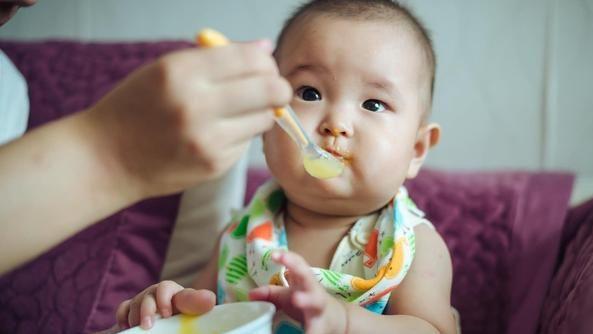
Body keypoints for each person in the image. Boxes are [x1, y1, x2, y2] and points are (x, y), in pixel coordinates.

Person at [116, 0, 458, 333]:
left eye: (373, 103)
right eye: (309, 93)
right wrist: (169, 307)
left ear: (416, 149)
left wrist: (344, 322)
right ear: (267, 127)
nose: (336, 123)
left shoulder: (413, 245)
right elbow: (203, 316)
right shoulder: (241, 234)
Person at [0, 0, 292, 276]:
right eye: (310, 93)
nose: (31, 2)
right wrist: (112, 154)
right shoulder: (243, 232)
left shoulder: (8, 88)